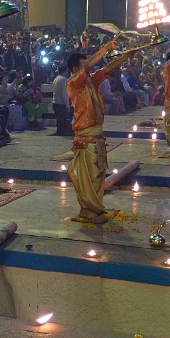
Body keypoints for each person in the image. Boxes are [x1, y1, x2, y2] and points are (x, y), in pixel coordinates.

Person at [66, 41, 134, 224]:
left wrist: (124, 57)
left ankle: (95, 208)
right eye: (83, 65)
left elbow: (106, 70)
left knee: (98, 175)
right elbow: (91, 66)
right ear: (75, 68)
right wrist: (105, 48)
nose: (87, 66)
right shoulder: (73, 83)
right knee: (88, 176)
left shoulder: (89, 81)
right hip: (86, 136)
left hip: (96, 135)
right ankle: (86, 210)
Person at [51, 65, 71, 135]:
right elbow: (65, 93)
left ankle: (59, 133)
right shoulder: (64, 80)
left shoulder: (56, 79)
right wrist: (67, 105)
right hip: (61, 103)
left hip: (55, 102)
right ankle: (61, 133)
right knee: (62, 120)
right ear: (65, 71)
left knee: (59, 120)